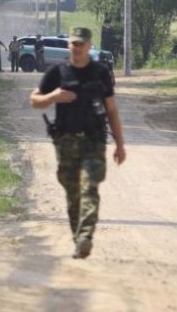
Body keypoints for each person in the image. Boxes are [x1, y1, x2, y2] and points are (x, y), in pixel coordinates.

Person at [29, 27, 127, 259]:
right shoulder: (57, 72)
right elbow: (34, 100)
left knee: (89, 187)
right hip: (66, 142)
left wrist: (120, 145)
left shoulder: (100, 73)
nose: (77, 47)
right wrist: (52, 97)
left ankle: (85, 237)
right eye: (74, 43)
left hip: (94, 141)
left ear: (89, 46)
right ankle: (79, 240)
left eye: (81, 44)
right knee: (73, 194)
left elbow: (111, 110)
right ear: (69, 45)